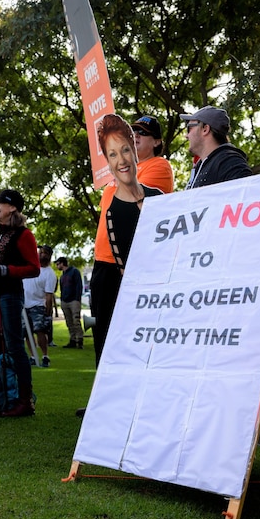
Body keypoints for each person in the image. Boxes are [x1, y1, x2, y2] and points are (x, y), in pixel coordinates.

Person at [90, 114, 165, 367]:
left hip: (126, 264)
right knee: (103, 334)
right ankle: (102, 398)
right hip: (103, 263)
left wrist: (115, 182)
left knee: (123, 336)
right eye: (133, 133)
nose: (136, 137)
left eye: (142, 134)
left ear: (156, 142)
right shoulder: (124, 171)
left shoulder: (159, 166)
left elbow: (126, 199)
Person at [0, 189, 41, 416]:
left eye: (0, 203)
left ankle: (25, 399)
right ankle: (0, 394)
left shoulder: (24, 234)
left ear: (13, 207)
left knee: (15, 346)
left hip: (9, 296)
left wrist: (5, 270)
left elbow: (34, 268)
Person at [180, 106, 253, 189]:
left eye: (189, 128)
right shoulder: (201, 167)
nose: (186, 136)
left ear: (205, 129)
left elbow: (245, 195)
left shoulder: (229, 162)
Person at [23, 246, 57, 368]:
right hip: (24, 305)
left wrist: (48, 310)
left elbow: (49, 295)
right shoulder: (30, 268)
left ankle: (45, 356)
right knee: (27, 332)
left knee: (40, 331)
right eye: (40, 252)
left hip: (38, 306)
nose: (42, 255)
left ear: (49, 256)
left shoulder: (50, 274)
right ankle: (33, 356)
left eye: (45, 253)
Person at [131, 115, 174, 193]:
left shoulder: (159, 164)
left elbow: (134, 198)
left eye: (142, 132)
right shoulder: (123, 168)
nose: (136, 135)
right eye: (133, 131)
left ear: (156, 142)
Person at [55, 256, 84, 348]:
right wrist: (62, 299)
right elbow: (62, 288)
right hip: (65, 301)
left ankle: (79, 340)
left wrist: (77, 298)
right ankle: (72, 340)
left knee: (76, 320)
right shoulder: (62, 276)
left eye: (58, 264)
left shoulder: (74, 272)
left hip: (74, 300)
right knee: (69, 322)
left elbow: (78, 285)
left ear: (62, 263)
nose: (57, 266)